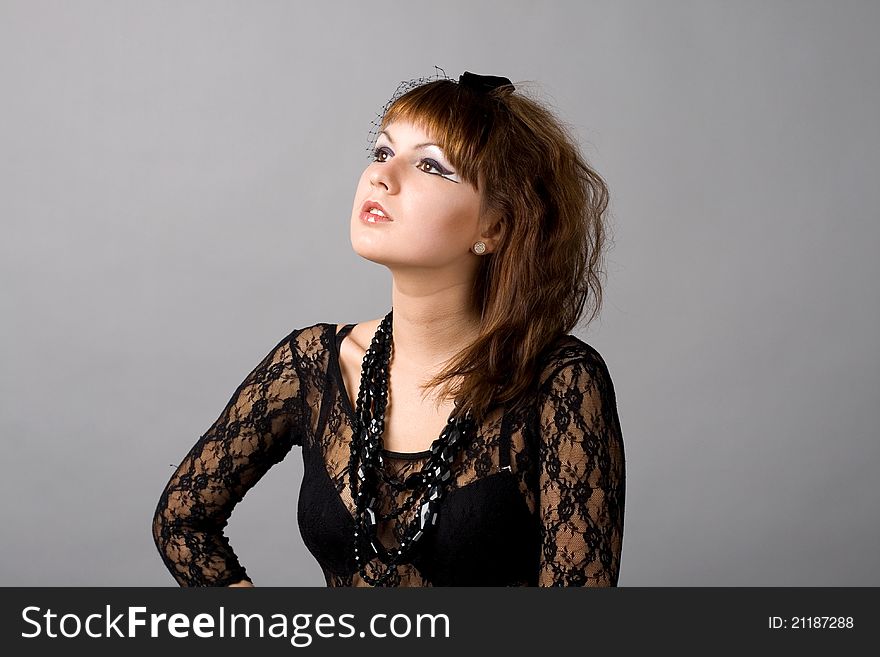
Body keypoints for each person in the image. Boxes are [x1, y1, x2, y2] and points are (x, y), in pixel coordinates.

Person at [152, 70, 625, 587]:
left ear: (494, 226)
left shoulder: (562, 382)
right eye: (381, 152)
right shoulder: (310, 362)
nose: (382, 176)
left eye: (429, 165)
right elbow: (181, 522)